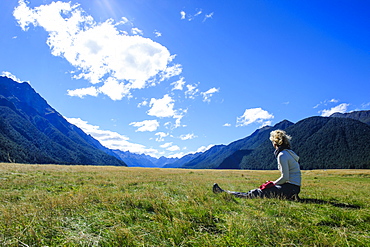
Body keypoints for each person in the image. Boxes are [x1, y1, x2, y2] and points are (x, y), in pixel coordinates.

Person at [213, 129, 301, 200]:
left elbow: (285, 177)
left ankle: (224, 193)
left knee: (255, 193)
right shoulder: (289, 153)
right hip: (294, 188)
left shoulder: (282, 155)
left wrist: (271, 184)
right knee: (260, 192)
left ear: (275, 142)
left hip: (289, 188)